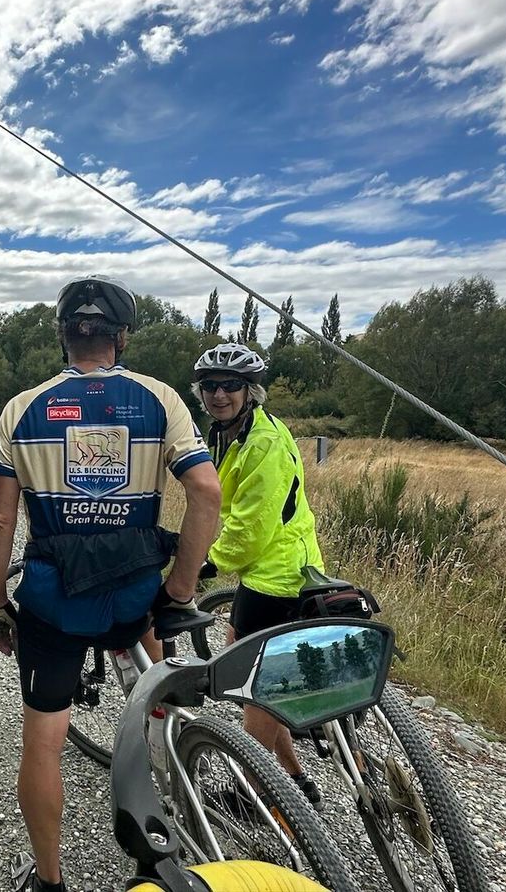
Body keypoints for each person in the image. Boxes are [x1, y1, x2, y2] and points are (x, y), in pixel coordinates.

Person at [0, 276, 223, 892]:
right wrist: (180, 592)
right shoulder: (161, 399)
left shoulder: (23, 407)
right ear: (123, 337)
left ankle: (50, 880)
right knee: (155, 676)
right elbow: (205, 491)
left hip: (53, 604)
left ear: (64, 336)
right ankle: (170, 756)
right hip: (134, 596)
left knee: (44, 741)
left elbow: (0, 520)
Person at [193, 342, 326, 807]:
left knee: (257, 687)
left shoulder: (263, 442)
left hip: (277, 576)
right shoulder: (232, 433)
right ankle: (292, 776)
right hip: (271, 569)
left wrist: (207, 563)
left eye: (231, 385)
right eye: (210, 386)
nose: (219, 394)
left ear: (250, 391)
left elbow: (252, 525)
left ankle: (250, 793)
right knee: (259, 673)